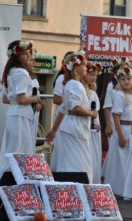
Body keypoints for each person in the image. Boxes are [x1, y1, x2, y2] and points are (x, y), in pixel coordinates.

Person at [0, 40, 39, 206]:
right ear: (17, 55)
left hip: (17, 116)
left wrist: (24, 100)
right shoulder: (21, 73)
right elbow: (21, 99)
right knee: (15, 156)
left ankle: (19, 195)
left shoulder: (11, 72)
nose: (29, 57)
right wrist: (35, 98)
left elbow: (7, 98)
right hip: (20, 117)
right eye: (25, 54)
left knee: (19, 156)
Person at [46, 51, 98, 183]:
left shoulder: (69, 84)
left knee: (69, 162)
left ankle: (69, 193)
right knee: (78, 164)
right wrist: (91, 113)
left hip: (69, 129)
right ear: (76, 67)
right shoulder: (75, 84)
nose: (86, 68)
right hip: (75, 130)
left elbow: (63, 110)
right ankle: (78, 191)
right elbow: (74, 108)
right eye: (84, 65)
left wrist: (53, 130)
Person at [103, 62, 132, 196]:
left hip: (131, 130)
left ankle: (128, 188)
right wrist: (121, 135)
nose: (126, 81)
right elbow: (116, 116)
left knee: (128, 161)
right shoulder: (119, 95)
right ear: (119, 81)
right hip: (122, 129)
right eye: (123, 79)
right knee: (120, 161)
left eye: (128, 78)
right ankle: (119, 189)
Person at [83, 61, 103, 183]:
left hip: (95, 131)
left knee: (95, 157)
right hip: (88, 129)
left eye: (95, 75)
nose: (94, 77)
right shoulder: (83, 92)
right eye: (91, 74)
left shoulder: (93, 93)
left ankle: (94, 181)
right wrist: (92, 124)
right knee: (88, 156)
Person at [52, 51, 73, 122]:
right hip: (61, 118)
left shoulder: (73, 80)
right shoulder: (61, 78)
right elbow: (56, 99)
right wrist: (72, 102)